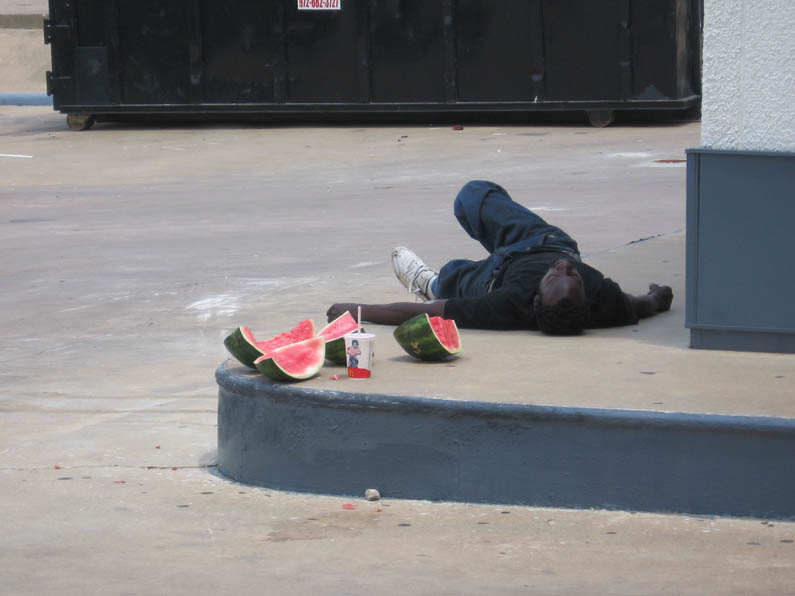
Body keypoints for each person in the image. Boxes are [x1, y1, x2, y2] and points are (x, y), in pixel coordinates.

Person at [327, 180, 673, 335]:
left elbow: (426, 314)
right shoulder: (605, 298)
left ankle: (431, 283)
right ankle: (447, 279)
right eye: (574, 275)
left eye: (556, 276)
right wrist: (660, 295)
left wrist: (356, 311)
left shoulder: (507, 305)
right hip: (546, 241)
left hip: (498, 276)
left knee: (452, 279)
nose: (565, 268)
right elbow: (646, 304)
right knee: (472, 195)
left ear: (535, 297)